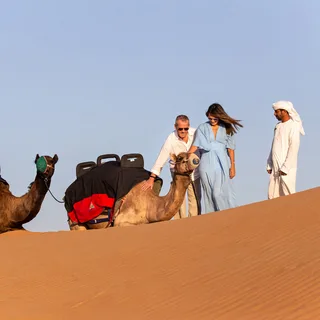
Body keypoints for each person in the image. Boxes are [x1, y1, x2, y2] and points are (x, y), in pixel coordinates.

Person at [142, 115, 201, 219]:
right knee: (177, 197)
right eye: (180, 129)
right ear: (175, 127)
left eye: (186, 128)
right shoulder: (171, 139)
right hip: (178, 172)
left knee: (195, 198)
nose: (183, 131)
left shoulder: (196, 134)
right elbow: (162, 158)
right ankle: (179, 223)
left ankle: (194, 222)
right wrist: (152, 178)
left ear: (189, 127)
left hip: (194, 171)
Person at [188, 103, 243, 214]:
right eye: (210, 118)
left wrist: (233, 166)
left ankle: (226, 213)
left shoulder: (227, 128)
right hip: (206, 162)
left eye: (215, 118)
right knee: (208, 192)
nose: (212, 120)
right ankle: (213, 217)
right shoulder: (202, 127)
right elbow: (196, 145)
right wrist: (186, 155)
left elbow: (231, 148)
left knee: (217, 193)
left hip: (221, 162)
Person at [267, 100, 305, 199]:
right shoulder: (278, 126)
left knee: (288, 194)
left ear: (284, 111)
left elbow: (294, 147)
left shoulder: (293, 126)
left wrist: (286, 167)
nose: (274, 114)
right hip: (275, 166)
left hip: (287, 167)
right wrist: (269, 162)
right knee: (273, 195)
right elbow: (274, 145)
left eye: (277, 111)